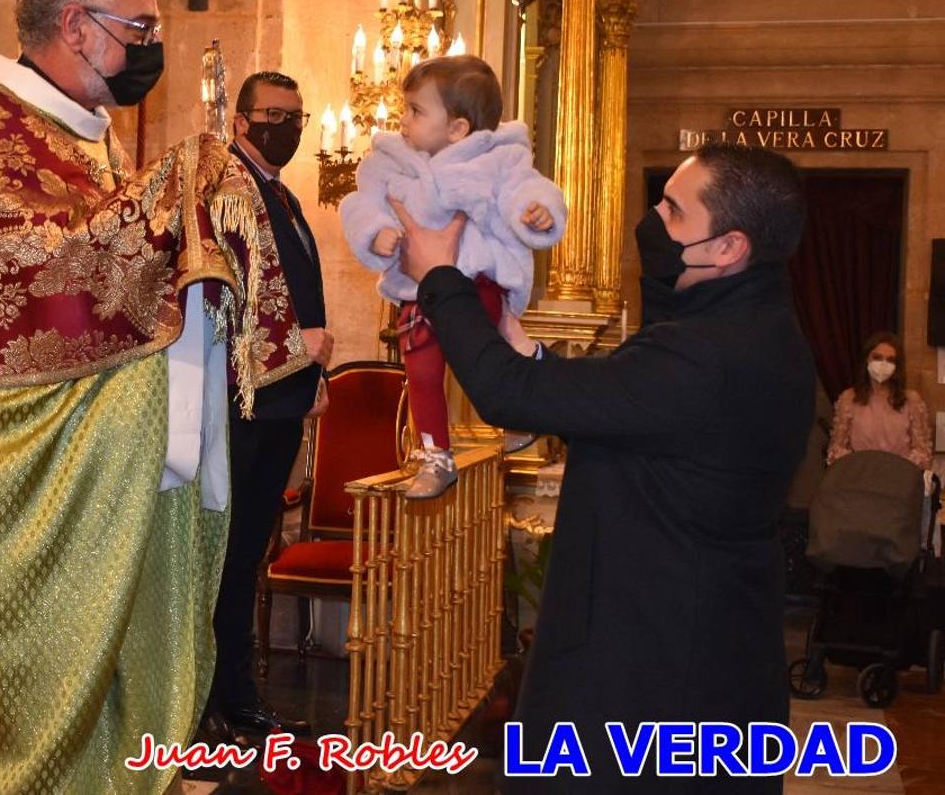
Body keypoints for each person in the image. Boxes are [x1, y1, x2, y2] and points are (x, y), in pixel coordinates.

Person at [0, 0, 310, 795]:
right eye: (139, 28)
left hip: (105, 447)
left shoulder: (88, 136)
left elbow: (123, 274)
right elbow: (37, 270)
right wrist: (177, 188)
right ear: (78, 27)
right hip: (20, 450)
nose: (148, 51)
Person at [393, 142, 814, 792]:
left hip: (658, 666)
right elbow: (627, 401)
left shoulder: (708, 353)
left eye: (673, 212)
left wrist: (439, 279)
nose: (653, 222)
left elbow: (510, 397)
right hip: (706, 639)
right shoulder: (756, 329)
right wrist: (525, 351)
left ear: (729, 247)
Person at [339, 56, 565, 499]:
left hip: (479, 280)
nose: (402, 120)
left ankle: (520, 413)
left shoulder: (499, 157)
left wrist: (538, 211)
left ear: (458, 128)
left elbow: (529, 187)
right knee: (421, 372)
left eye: (416, 111)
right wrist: (376, 231)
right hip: (420, 292)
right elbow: (359, 203)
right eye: (404, 108)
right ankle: (434, 454)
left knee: (488, 352)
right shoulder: (389, 161)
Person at [210, 71, 330, 738]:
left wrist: (314, 377)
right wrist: (297, 348)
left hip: (283, 398)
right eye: (272, 115)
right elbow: (223, 295)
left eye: (295, 116)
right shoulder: (229, 191)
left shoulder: (280, 196)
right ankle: (215, 697)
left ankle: (238, 690)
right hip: (242, 404)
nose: (285, 127)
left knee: (251, 550)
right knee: (226, 556)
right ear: (240, 121)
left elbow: (295, 291)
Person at [827, 331, 932, 470]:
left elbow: (922, 452)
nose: (883, 364)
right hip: (859, 476)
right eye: (877, 357)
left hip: (899, 478)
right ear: (867, 360)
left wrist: (893, 468)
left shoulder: (911, 400)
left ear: (897, 366)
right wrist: (861, 466)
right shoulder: (849, 398)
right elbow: (836, 450)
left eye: (890, 360)